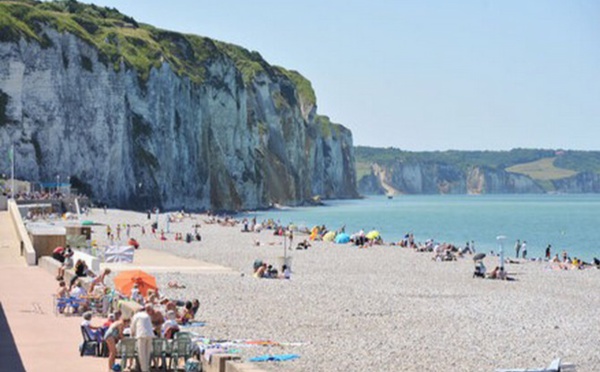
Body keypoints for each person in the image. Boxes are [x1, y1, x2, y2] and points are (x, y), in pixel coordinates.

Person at [131, 305, 155, 372]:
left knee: (142, 354)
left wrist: (132, 334)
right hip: (150, 335)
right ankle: (147, 369)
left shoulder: (136, 315)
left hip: (141, 335)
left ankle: (144, 370)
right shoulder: (147, 316)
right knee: (147, 354)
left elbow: (133, 327)